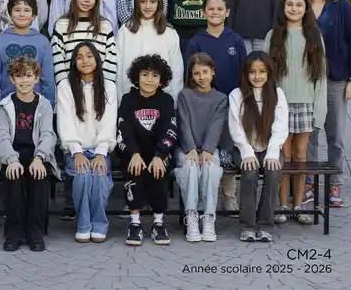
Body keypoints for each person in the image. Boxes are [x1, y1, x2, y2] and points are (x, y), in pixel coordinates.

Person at [301, 0, 351, 208]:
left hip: (336, 79)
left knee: (335, 135)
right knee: (309, 135)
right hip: (306, 80)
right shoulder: (299, 5)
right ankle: (308, 185)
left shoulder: (342, 6)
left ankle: (335, 184)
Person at [264, 0, 326, 225]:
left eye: (299, 5)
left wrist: (319, 109)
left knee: (300, 155)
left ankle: (299, 205)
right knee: (284, 155)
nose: (294, 9)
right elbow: (265, 73)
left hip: (306, 104)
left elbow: (321, 75)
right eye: (290, 4)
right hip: (280, 105)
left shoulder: (314, 36)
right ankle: (282, 205)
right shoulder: (273, 35)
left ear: (305, 9)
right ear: (283, 7)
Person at [186, 0, 247, 214]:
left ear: (227, 13)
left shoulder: (236, 40)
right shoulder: (196, 41)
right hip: (203, 105)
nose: (215, 12)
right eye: (210, 9)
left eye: (220, 9)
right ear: (203, 13)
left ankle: (229, 195)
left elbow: (244, 74)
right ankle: (200, 196)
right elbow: (189, 74)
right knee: (204, 147)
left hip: (230, 104)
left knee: (227, 151)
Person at [0, 57, 58, 252]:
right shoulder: (5, 106)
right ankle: (14, 232)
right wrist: (12, 160)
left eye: (29, 75)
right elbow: (2, 138)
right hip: (12, 157)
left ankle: (35, 231)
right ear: (12, 79)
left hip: (37, 156)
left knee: (38, 177)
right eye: (19, 76)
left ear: (36, 78)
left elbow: (48, 135)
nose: (24, 81)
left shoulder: (44, 105)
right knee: (14, 179)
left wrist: (39, 158)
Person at [57, 42, 117, 243]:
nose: (85, 61)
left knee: (99, 174)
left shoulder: (109, 86)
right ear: (74, 62)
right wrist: (77, 151)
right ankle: (83, 224)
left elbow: (109, 122)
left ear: (97, 60)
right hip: (75, 149)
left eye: (89, 56)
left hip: (100, 148)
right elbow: (65, 122)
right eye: (80, 57)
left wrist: (101, 152)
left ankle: (99, 224)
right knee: (82, 174)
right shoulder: (65, 86)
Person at [228, 51, 288, 243]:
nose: (257, 76)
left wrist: (272, 153)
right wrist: (247, 152)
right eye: (252, 72)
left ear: (269, 72)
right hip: (244, 148)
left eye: (262, 71)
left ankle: (265, 224)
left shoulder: (277, 94)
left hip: (270, 148)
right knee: (250, 171)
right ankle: (248, 225)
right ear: (246, 74)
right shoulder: (237, 95)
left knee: (273, 171)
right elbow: (235, 127)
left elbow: (281, 125)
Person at [119, 54, 178, 246]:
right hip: (134, 152)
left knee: (159, 171)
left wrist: (160, 155)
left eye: (154, 75)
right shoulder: (128, 100)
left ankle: (158, 223)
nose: (149, 80)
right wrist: (133, 153)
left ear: (161, 80)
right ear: (137, 77)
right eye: (145, 74)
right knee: (134, 171)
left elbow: (170, 129)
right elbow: (123, 129)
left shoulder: (166, 100)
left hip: (158, 152)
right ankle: (134, 223)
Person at [175, 53, 227, 243]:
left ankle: (209, 217)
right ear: (191, 75)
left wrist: (207, 150)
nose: (201, 77)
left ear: (213, 72)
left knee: (210, 167)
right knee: (190, 167)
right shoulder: (184, 95)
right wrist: (190, 149)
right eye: (196, 73)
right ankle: (191, 215)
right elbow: (183, 123)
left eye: (205, 72)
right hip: (186, 148)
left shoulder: (220, 98)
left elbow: (216, 125)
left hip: (208, 149)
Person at [116, 0, 183, 102]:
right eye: (143, 1)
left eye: (153, 1)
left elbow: (177, 70)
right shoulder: (125, 31)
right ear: (137, 3)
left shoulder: (169, 32)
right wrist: (121, 101)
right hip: (131, 99)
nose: (148, 6)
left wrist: (173, 101)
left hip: (162, 100)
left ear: (159, 3)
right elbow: (118, 69)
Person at [0, 0, 55, 109]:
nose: (22, 14)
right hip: (6, 104)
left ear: (33, 15)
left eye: (27, 10)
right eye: (17, 10)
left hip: (35, 105)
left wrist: (48, 105)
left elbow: (47, 78)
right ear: (10, 14)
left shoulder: (42, 42)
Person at [51, 0, 117, 84]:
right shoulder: (62, 25)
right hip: (68, 87)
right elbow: (57, 59)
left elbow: (111, 60)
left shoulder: (105, 26)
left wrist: (103, 86)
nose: (87, 0)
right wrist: (64, 86)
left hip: (99, 87)